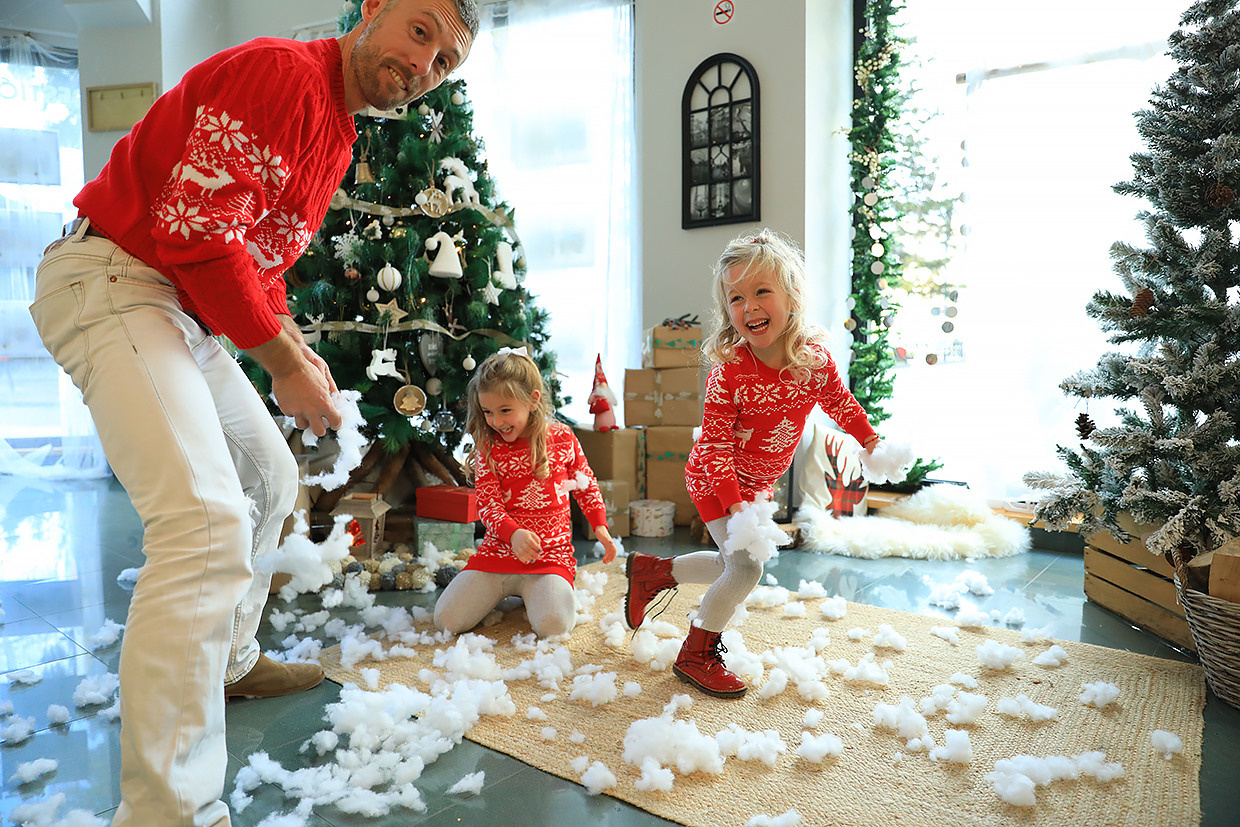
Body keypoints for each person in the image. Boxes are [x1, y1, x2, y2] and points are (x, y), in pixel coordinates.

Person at [28, 2, 479, 824]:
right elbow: (197, 232)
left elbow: (254, 251)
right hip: (116, 276)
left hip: (181, 304)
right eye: (419, 31)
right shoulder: (282, 74)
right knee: (203, 523)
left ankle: (231, 660)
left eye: (445, 61)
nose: (425, 66)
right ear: (372, 10)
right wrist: (274, 358)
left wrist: (293, 348)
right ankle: (172, 810)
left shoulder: (338, 133)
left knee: (271, 476)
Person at [624, 229, 899, 699]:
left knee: (731, 563)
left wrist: (870, 440)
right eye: (736, 297)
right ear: (727, 309)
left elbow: (840, 401)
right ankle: (695, 653)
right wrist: (735, 508)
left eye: (762, 292)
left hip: (755, 488)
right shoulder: (730, 370)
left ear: (792, 295)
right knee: (746, 569)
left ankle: (654, 572)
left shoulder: (811, 359)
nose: (749, 306)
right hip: (716, 481)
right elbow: (713, 448)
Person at [435, 348, 618, 638]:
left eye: (505, 410)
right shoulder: (489, 448)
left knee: (554, 627)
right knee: (446, 620)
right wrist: (513, 533)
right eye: (488, 412)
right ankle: (506, 592)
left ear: (533, 400)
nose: (495, 421)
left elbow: (586, 484)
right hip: (498, 554)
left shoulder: (562, 438)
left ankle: (541, 593)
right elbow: (488, 505)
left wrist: (600, 526)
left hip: (549, 559)